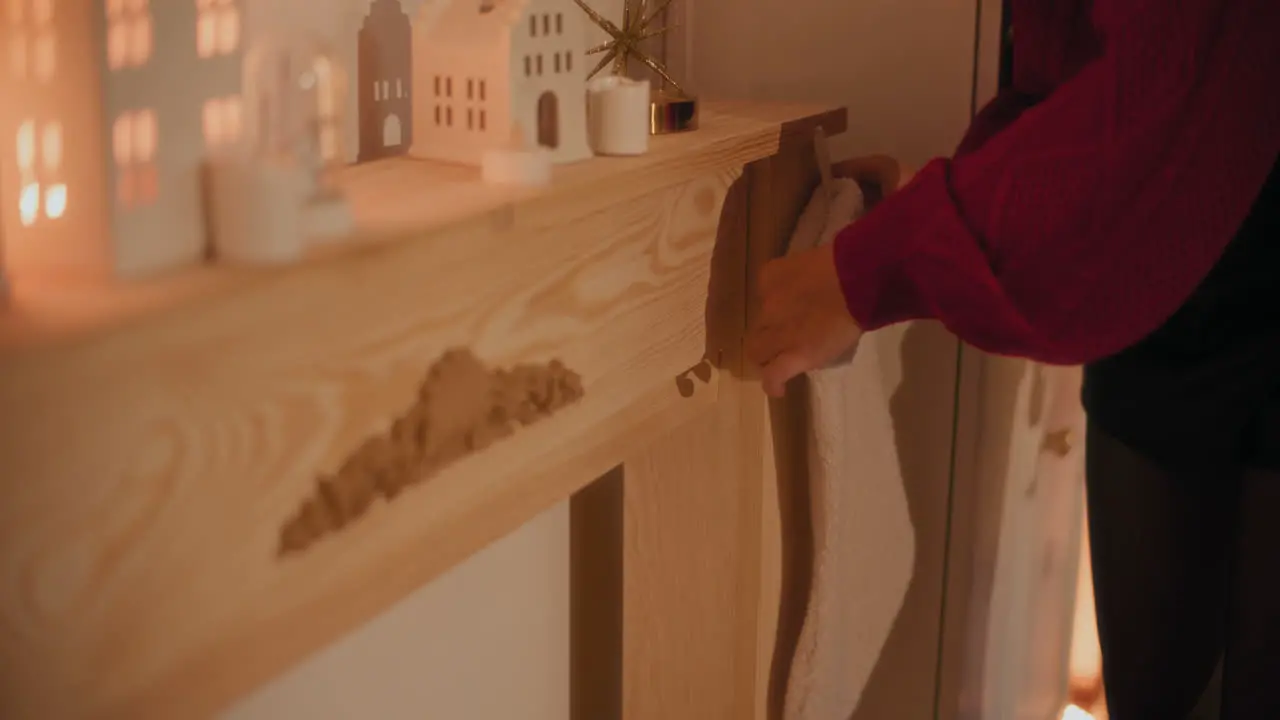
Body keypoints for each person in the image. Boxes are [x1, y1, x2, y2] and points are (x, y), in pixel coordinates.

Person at [744, 0, 1280, 717]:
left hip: (1211, 271)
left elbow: (1178, 84)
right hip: (1156, 336)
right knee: (1156, 693)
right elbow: (1064, 79)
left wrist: (880, 267)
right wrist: (948, 201)